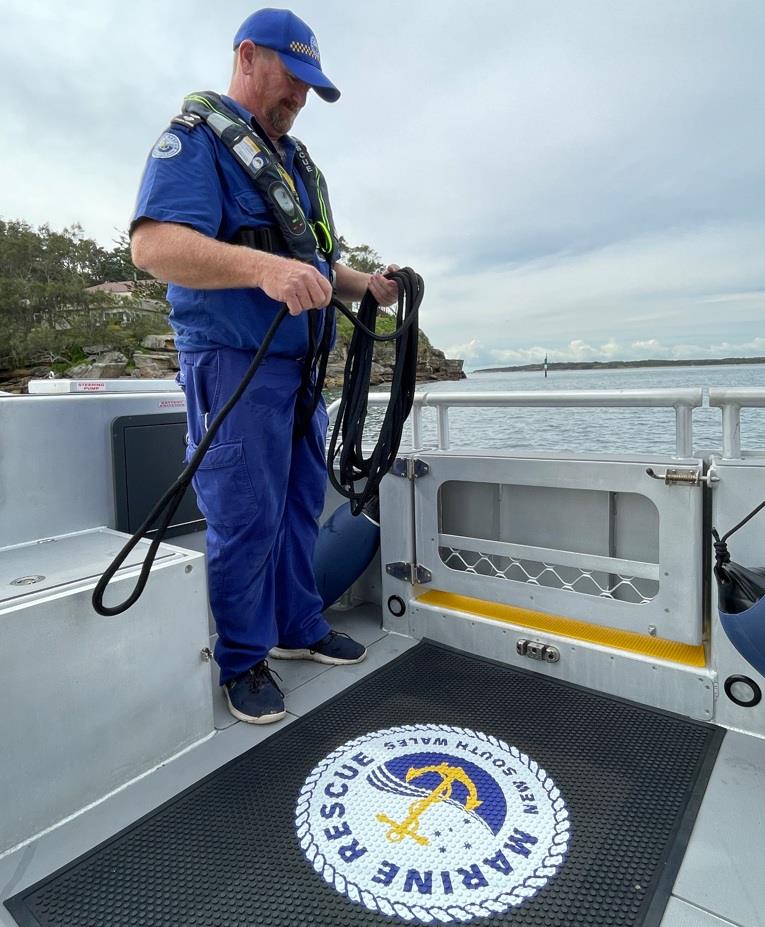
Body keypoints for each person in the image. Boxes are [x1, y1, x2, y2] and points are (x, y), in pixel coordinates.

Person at [130, 8, 399, 725]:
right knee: (245, 516)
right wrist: (262, 271)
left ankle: (296, 627)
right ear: (248, 57)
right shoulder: (194, 144)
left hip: (300, 372)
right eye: (292, 77)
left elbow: (308, 261)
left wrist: (363, 284)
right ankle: (242, 658)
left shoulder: (291, 160)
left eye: (311, 85)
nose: (301, 97)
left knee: (298, 507)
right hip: (233, 366)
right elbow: (153, 245)